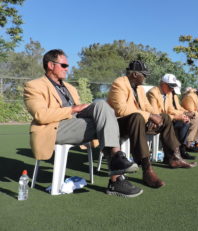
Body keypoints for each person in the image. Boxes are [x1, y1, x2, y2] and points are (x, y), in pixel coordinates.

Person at [23, 49, 142, 198]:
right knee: (109, 125)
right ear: (50, 65)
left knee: (101, 105)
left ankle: (117, 161)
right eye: (64, 65)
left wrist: (82, 109)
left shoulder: (70, 88)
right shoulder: (33, 86)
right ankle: (116, 177)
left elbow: (81, 112)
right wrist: (73, 109)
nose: (67, 69)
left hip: (76, 124)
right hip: (54, 128)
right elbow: (40, 115)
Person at [107, 60, 197, 189]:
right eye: (144, 75)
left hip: (136, 122)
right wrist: (149, 116)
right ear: (135, 74)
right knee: (138, 117)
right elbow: (121, 110)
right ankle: (147, 169)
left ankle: (174, 157)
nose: (146, 77)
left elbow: (147, 106)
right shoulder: (119, 83)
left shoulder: (139, 88)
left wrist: (157, 117)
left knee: (165, 117)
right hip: (118, 124)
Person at [146, 74, 197, 160]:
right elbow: (156, 113)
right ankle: (172, 155)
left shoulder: (168, 93)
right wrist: (175, 117)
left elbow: (170, 109)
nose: (172, 89)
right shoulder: (153, 93)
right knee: (175, 123)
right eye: (170, 86)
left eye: (173, 87)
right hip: (154, 120)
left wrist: (183, 115)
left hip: (166, 119)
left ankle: (181, 150)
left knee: (184, 123)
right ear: (163, 84)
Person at [172, 80, 198, 154]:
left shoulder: (174, 96)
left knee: (196, 120)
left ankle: (188, 145)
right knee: (196, 120)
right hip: (172, 117)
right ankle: (187, 145)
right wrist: (185, 113)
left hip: (180, 115)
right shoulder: (190, 97)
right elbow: (190, 110)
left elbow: (179, 108)